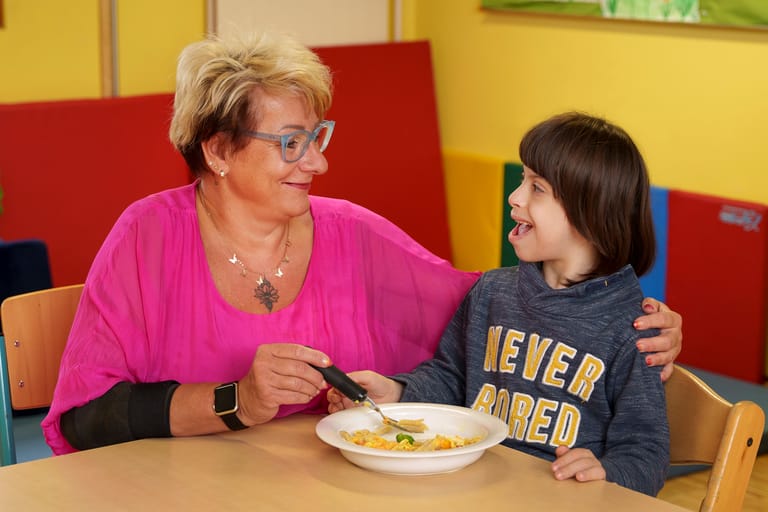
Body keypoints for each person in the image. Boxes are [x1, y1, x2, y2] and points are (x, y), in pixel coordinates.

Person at [41, 31, 681, 456]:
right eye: (291, 142)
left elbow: (510, 304)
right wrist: (239, 400)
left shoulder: (355, 233)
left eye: (319, 136)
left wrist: (646, 324)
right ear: (216, 150)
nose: (316, 163)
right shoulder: (147, 237)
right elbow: (82, 418)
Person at [328, 112, 670, 496]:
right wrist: (396, 392)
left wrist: (607, 471)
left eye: (537, 188)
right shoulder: (493, 292)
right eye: (523, 179)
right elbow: (452, 377)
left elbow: (646, 452)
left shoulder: (635, 331)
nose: (516, 196)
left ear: (590, 215)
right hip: (472, 488)